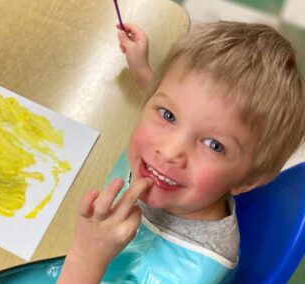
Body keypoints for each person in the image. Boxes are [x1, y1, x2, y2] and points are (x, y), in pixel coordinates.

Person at [57, 21, 305, 283]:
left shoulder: (191, 273)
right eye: (168, 115)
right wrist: (143, 71)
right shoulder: (169, 165)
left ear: (248, 181)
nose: (169, 151)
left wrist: (85, 258)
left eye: (214, 145)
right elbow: (194, 108)